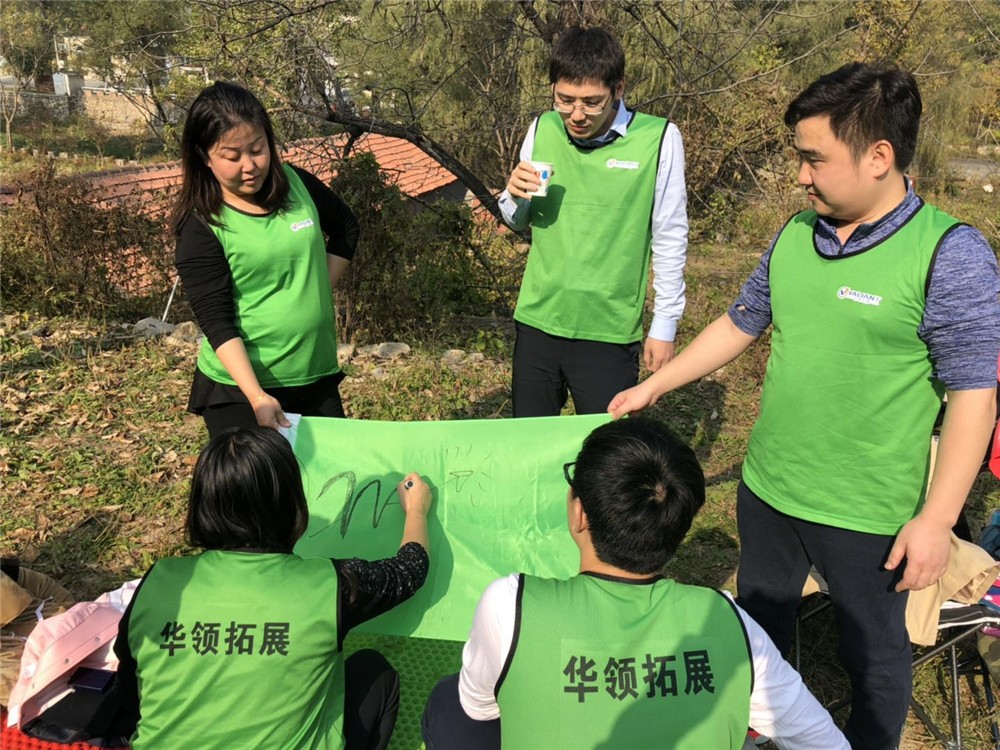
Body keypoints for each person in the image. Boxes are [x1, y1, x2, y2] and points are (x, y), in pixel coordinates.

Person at [609, 63, 1000, 748]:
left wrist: (937, 520)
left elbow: (974, 394)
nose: (800, 176)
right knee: (760, 631)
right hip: (769, 490)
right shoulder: (796, 234)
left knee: (872, 658)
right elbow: (741, 321)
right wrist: (655, 387)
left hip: (868, 514)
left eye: (815, 158)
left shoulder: (949, 255)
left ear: (879, 156)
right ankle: (763, 731)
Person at [421, 417, 849, 749]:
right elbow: (823, 741)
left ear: (579, 513)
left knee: (447, 704)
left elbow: (478, 707)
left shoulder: (509, 605)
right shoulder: (730, 623)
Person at [113, 427, 433, 749]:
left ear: (201, 503)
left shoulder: (159, 580)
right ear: (291, 503)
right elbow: (410, 569)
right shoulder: (330, 584)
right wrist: (416, 509)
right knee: (374, 672)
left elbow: (130, 693)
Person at [500, 26, 688, 417]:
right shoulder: (543, 128)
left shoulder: (659, 139)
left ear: (618, 90)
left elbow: (670, 237)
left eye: (591, 102)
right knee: (530, 440)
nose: (576, 114)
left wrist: (664, 324)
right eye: (564, 100)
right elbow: (517, 221)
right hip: (538, 321)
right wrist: (513, 195)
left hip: (609, 331)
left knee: (605, 447)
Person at [171, 81, 360, 439]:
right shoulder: (202, 225)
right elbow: (216, 322)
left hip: (315, 374)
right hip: (243, 390)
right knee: (261, 478)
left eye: (258, 149)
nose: (250, 166)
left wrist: (317, 290)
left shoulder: (297, 185)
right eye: (232, 156)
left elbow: (346, 228)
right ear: (204, 156)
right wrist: (257, 396)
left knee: (333, 473)